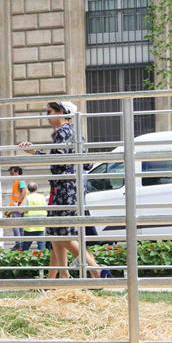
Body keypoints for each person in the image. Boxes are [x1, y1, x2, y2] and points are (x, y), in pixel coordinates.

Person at [19, 101, 106, 278]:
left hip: (63, 188)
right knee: (55, 231)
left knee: (61, 234)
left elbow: (58, 161)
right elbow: (87, 162)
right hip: (74, 188)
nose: (47, 115)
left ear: (61, 112)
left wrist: (35, 152)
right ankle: (59, 278)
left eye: (50, 111)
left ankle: (96, 269)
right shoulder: (77, 134)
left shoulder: (61, 133)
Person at [21, 182, 47, 251]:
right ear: (37, 188)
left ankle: (23, 259)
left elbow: (23, 210)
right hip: (40, 225)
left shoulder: (28, 198)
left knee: (25, 246)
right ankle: (41, 258)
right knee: (41, 246)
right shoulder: (42, 197)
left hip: (30, 226)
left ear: (28, 189)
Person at [7, 166, 28, 249]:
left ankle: (19, 243)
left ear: (16, 171)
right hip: (18, 206)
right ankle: (21, 244)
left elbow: (24, 191)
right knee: (20, 225)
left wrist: (18, 202)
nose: (10, 173)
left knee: (16, 225)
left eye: (11, 172)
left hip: (18, 206)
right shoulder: (17, 180)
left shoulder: (20, 180)